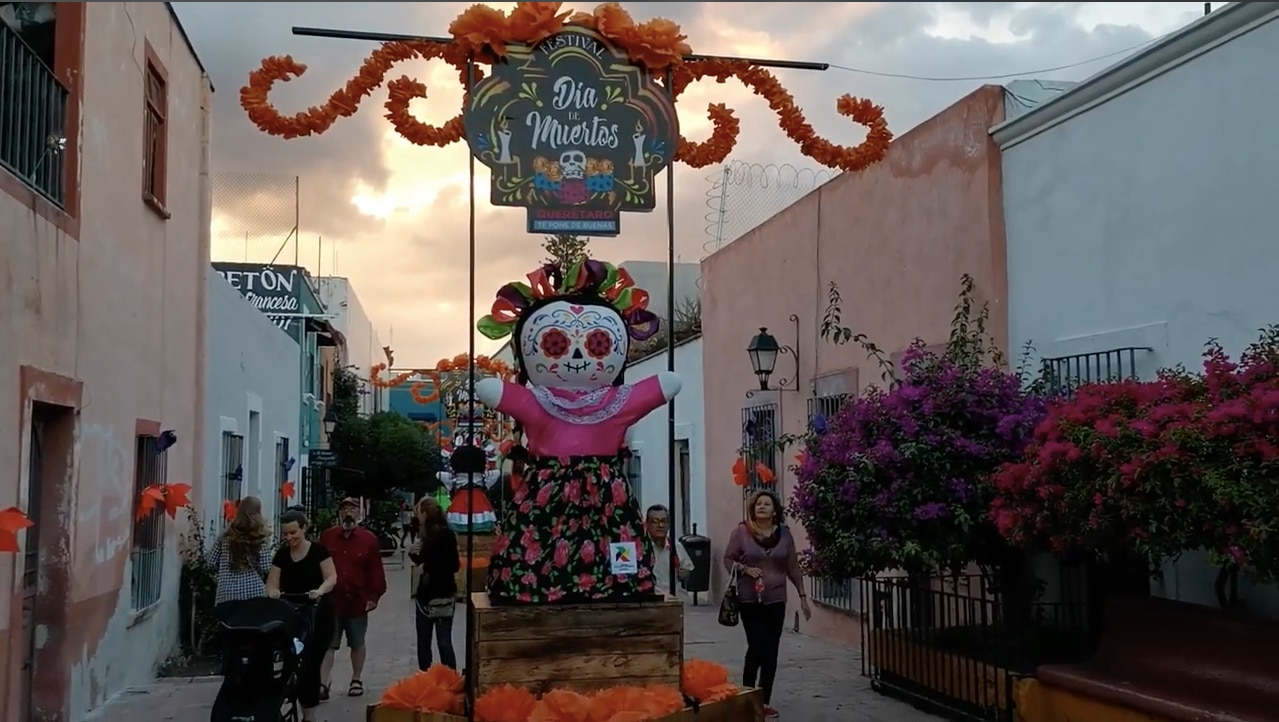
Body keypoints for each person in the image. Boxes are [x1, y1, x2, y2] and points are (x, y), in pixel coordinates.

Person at [723, 490, 812, 719]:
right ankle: (747, 696)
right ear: (753, 509)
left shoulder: (784, 535)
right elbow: (728, 558)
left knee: (771, 652)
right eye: (758, 504)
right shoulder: (742, 532)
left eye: (767, 504)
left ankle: (763, 702)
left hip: (775, 600)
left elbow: (792, 566)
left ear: (775, 511)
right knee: (757, 646)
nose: (762, 506)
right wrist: (744, 569)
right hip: (749, 600)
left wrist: (802, 596)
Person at [266, 510, 337, 722]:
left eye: (293, 533)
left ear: (304, 528)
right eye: (286, 534)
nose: (289, 538)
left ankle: (309, 714)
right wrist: (272, 592)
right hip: (291, 614)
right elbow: (272, 582)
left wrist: (320, 591)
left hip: (317, 615)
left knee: (310, 663)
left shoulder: (318, 552)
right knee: (285, 660)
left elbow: (332, 576)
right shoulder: (281, 555)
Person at [319, 497, 387, 700]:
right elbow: (319, 565)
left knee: (357, 642)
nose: (348, 513)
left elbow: (375, 570)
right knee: (328, 643)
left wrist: (373, 595)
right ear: (339, 514)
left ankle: (356, 679)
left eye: (352, 509)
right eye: (344, 510)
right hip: (332, 601)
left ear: (359, 514)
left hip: (357, 601)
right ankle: (323, 681)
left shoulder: (368, 540)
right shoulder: (327, 537)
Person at [409, 496, 460, 670]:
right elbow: (421, 561)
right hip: (424, 595)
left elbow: (453, 565)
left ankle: (451, 678)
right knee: (423, 643)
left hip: (442, 594)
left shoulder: (445, 534)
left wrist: (427, 566)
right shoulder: (424, 535)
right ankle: (426, 679)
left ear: (425, 513)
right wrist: (413, 554)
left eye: (419, 514)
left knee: (443, 642)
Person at [208, 496, 273, 619]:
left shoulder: (225, 537)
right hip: (254, 594)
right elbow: (266, 568)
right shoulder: (260, 539)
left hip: (226, 594)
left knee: (230, 633)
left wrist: (223, 571)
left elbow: (210, 562)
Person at [645, 504, 693, 597]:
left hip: (673, 598)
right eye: (655, 521)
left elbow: (687, 570)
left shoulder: (675, 546)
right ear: (647, 524)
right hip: (650, 599)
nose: (660, 525)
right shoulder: (642, 548)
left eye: (664, 521)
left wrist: (684, 573)